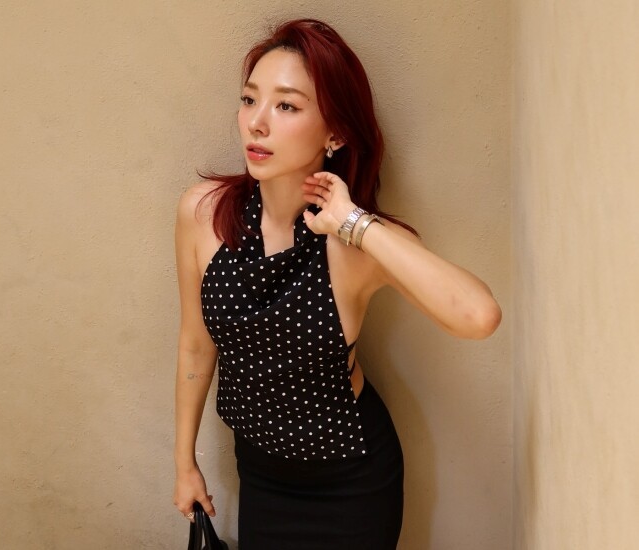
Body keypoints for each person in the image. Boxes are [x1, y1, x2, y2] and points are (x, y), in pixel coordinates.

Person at [173, 18, 501, 549]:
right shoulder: (202, 214)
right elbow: (195, 344)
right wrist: (184, 462)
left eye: (287, 106)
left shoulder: (352, 247)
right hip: (260, 478)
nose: (257, 123)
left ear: (335, 134)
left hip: (351, 487)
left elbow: (478, 316)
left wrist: (354, 222)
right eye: (249, 99)